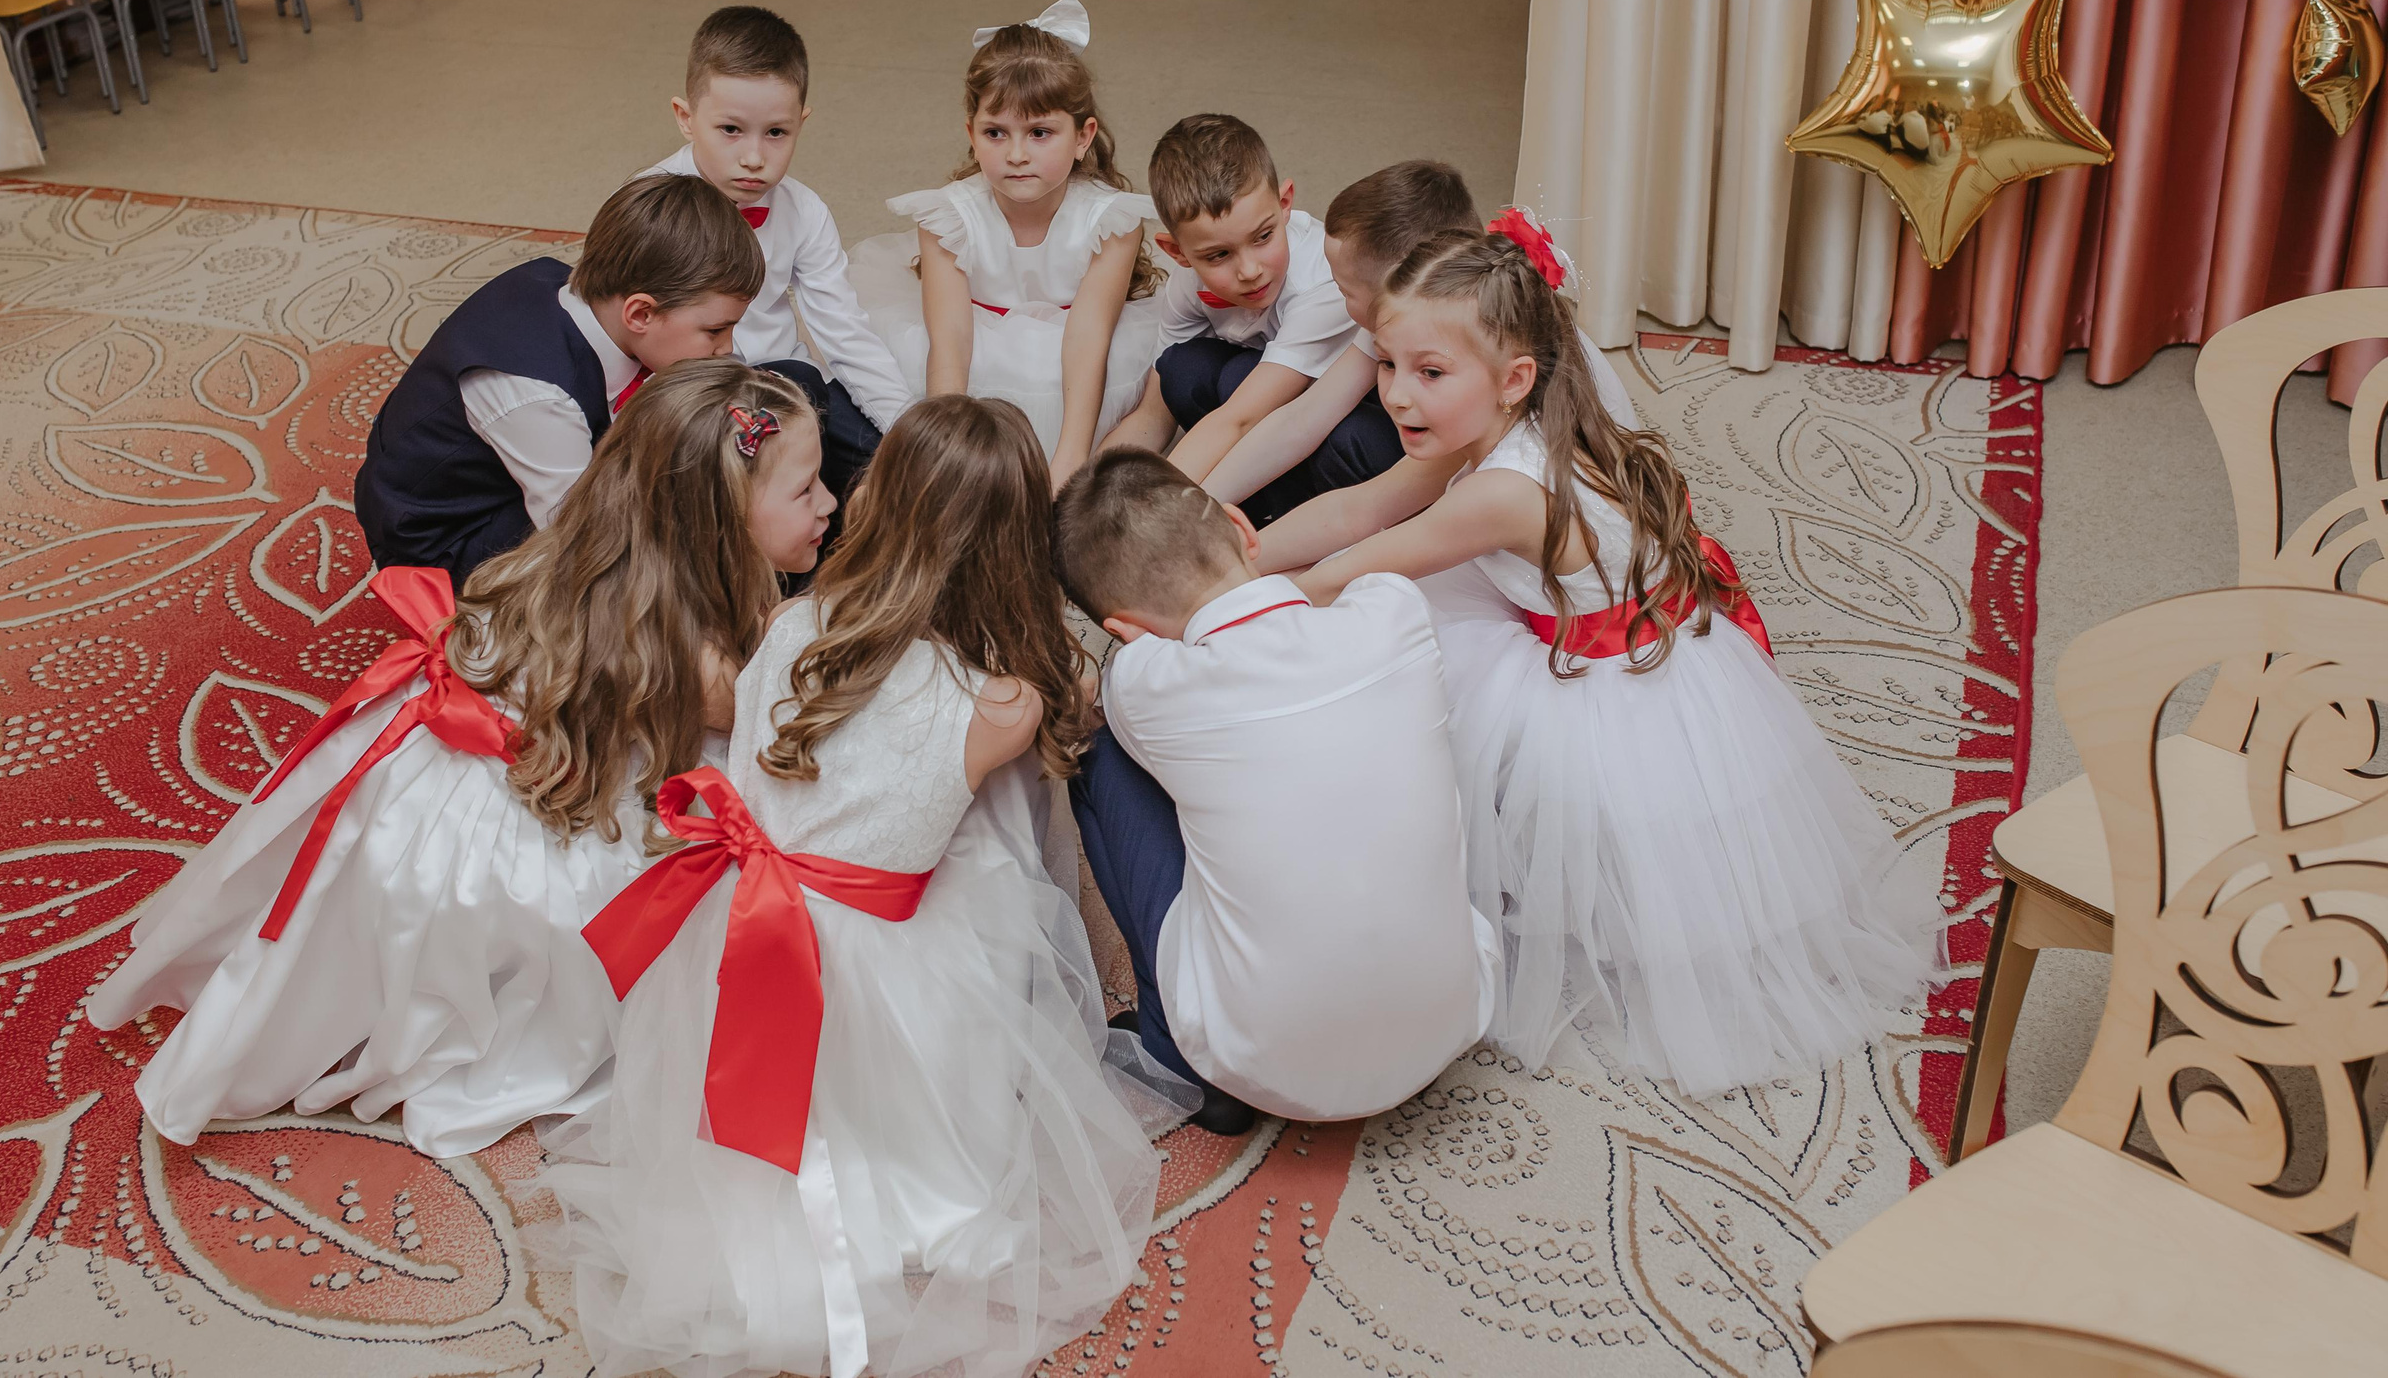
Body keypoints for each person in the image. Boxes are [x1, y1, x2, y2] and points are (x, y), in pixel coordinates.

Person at [540, 396, 1180, 1378]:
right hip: (887, 975)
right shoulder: (1006, 700)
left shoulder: (791, 622)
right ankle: (919, 1170)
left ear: (879, 504)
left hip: (737, 930)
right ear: (1016, 549)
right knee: (996, 865)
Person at [1257, 225, 1945, 1096]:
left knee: (1389, 643)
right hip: (1654, 641)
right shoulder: (1527, 422)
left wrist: (1230, 609)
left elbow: (1354, 566)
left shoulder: (1505, 492)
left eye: (1429, 372)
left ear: (1513, 378)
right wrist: (1246, 559)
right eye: (1388, 366)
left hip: (1620, 684)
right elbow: (1362, 507)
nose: (1396, 394)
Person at [90, 364, 836, 1157]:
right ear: (714, 522)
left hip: (424, 774)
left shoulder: (608, 562)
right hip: (479, 838)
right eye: (807, 489)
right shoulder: (697, 661)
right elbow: (777, 737)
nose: (830, 503)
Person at [1056, 449, 1500, 1136]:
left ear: (1123, 629)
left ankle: (1173, 1050)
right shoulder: (1394, 608)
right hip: (1452, 1014)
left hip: (1259, 1059)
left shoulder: (1141, 682)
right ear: (1243, 525)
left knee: (1097, 754)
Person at [356, 172, 763, 583]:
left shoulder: (595, 300)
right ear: (640, 314)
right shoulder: (537, 394)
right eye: (715, 331)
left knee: (781, 385)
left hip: (532, 471)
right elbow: (579, 541)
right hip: (447, 538)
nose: (727, 346)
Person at [844, 0, 1159, 489]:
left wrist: (1070, 458)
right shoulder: (948, 217)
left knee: (1071, 380)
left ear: (1082, 136)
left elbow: (1088, 337)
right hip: (976, 338)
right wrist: (945, 447)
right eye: (995, 133)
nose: (1016, 154)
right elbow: (950, 341)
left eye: (1039, 133)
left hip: (1075, 349)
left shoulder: (1110, 220)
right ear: (971, 134)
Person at [1201, 162, 1639, 511]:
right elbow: (1303, 418)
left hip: (1541, 504)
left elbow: (1367, 508)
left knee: (1349, 442)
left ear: (1408, 284)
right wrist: (1201, 504)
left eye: (1343, 291)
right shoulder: (1429, 314)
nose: (1338, 302)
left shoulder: (1483, 380)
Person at [641, 4, 914, 504]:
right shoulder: (647, 206)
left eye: (776, 133)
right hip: (688, 398)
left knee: (888, 456)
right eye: (730, 130)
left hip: (784, 384)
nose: (753, 157)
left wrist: (907, 428)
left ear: (800, 123)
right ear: (685, 118)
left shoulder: (804, 211)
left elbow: (844, 331)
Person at [1097, 114, 1358, 524]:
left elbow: (1242, 416)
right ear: (1177, 252)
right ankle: (1241, 500)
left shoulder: (1322, 283)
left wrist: (1149, 515)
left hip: (1355, 425)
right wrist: (1090, 493)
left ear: (1285, 203)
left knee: (1238, 379)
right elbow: (1153, 413)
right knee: (1180, 370)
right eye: (1219, 255)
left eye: (1263, 237)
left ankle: (1284, 513)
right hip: (1258, 402)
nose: (1250, 270)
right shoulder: (1189, 282)